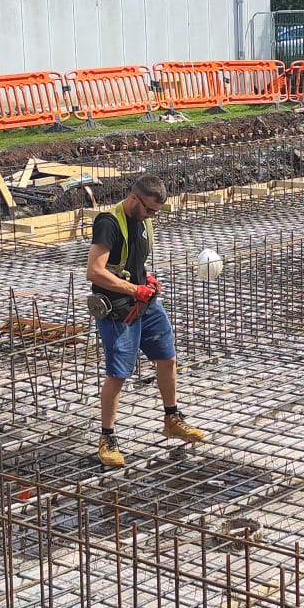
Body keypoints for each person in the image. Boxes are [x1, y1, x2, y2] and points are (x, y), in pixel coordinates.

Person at [87, 173, 206, 469]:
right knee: (118, 374)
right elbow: (95, 271)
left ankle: (172, 418)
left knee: (167, 358)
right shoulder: (108, 224)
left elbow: (131, 263)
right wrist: (134, 288)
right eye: (149, 210)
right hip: (118, 309)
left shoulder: (144, 221)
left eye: (156, 211)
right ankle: (107, 437)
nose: (152, 215)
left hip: (145, 303)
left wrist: (146, 279)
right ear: (134, 199)